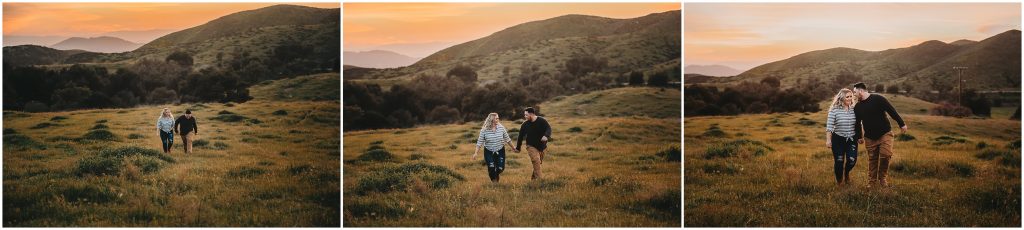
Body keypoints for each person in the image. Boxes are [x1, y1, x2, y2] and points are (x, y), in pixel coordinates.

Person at [852, 82, 907, 188]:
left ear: (861, 91)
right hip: (869, 137)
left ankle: (882, 178)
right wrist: (859, 136)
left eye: (855, 92)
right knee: (872, 160)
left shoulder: (878, 99)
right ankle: (872, 182)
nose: (854, 95)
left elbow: (891, 110)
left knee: (886, 155)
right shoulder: (857, 107)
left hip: (885, 133)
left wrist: (901, 123)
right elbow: (857, 122)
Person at [825, 88, 861, 188]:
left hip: (852, 139)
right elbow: (829, 126)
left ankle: (846, 173)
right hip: (838, 140)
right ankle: (839, 182)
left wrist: (860, 136)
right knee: (839, 161)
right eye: (847, 97)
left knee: (852, 160)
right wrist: (828, 140)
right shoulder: (834, 110)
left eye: (851, 96)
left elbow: (859, 124)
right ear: (841, 98)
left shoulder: (854, 109)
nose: (850, 98)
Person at [471, 113, 516, 183]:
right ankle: (494, 182)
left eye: (498, 118)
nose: (498, 119)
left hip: (500, 150)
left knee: (501, 168)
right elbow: (479, 142)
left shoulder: (501, 128)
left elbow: (507, 139)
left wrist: (513, 148)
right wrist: (475, 153)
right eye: (496, 118)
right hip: (489, 151)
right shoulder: (484, 130)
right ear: (492, 120)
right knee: (491, 167)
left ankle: (496, 176)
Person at [516, 107, 552, 180]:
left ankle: (533, 180)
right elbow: (520, 137)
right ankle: (539, 180)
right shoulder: (525, 124)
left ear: (531, 114)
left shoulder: (542, 121)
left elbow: (548, 128)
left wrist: (546, 136)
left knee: (538, 163)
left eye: (526, 115)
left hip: (542, 146)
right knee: (536, 160)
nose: (525, 116)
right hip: (531, 146)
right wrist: (518, 148)